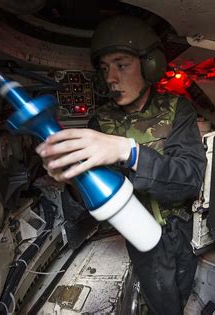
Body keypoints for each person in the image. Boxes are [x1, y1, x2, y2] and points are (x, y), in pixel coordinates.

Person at [36, 15, 206, 314]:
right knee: (163, 305)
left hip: (180, 230)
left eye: (121, 64)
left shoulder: (177, 110)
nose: (111, 77)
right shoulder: (99, 122)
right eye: (105, 69)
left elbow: (189, 178)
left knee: (182, 292)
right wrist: (71, 181)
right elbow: (86, 206)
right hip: (137, 232)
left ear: (149, 65)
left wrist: (129, 152)